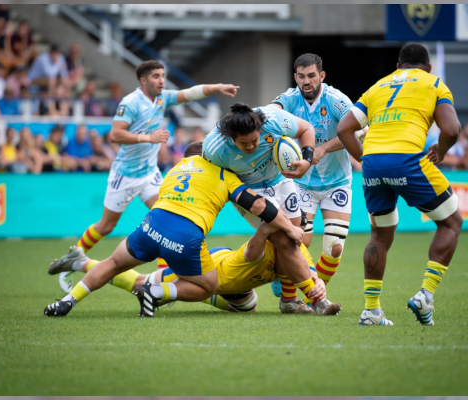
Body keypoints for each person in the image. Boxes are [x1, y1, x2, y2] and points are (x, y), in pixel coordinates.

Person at [43, 142, 312, 317]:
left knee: (114, 263)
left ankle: (68, 300)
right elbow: (258, 207)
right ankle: (157, 293)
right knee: (209, 286)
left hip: (151, 225)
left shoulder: (176, 168)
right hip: (185, 237)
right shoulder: (222, 174)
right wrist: (289, 227)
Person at [57, 59, 240, 281]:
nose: (161, 80)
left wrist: (217, 87)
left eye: (162, 75)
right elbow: (114, 134)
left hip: (149, 174)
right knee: (106, 225)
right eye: (156, 76)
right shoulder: (131, 102)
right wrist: (149, 138)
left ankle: (162, 277)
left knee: (166, 219)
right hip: (124, 175)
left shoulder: (162, 98)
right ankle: (74, 254)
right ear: (143, 81)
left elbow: (190, 93)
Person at [337, 43, 463, 326]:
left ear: (398, 66)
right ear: (428, 67)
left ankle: (371, 311)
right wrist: (440, 150)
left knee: (379, 235)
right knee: (451, 222)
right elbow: (452, 130)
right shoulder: (434, 83)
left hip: (372, 164)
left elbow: (344, 128)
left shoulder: (377, 86)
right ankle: (425, 296)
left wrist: (367, 159)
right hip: (408, 159)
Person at [48, 211, 332, 315]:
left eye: (305, 230)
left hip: (234, 284)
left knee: (248, 307)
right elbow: (251, 254)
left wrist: (315, 284)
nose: (301, 235)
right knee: (141, 282)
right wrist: (265, 228)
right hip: (210, 268)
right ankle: (82, 262)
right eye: (298, 228)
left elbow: (305, 270)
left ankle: (189, 294)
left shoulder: (298, 251)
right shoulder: (267, 243)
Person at [202, 103, 340, 315]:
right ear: (231, 139)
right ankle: (318, 300)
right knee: (284, 238)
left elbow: (306, 129)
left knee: (298, 239)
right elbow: (213, 179)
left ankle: (288, 301)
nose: (251, 147)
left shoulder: (273, 118)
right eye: (244, 144)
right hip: (247, 191)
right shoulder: (214, 149)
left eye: (255, 141)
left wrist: (306, 159)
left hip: (280, 179)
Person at [269, 53, 362, 298]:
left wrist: (322, 148)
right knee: (297, 242)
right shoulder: (290, 98)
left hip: (337, 183)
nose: (306, 81)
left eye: (311, 75)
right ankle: (289, 301)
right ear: (295, 77)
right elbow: (270, 113)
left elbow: (359, 131)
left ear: (321, 76)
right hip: (301, 184)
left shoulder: (336, 100)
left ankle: (313, 294)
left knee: (334, 248)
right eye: (301, 76)